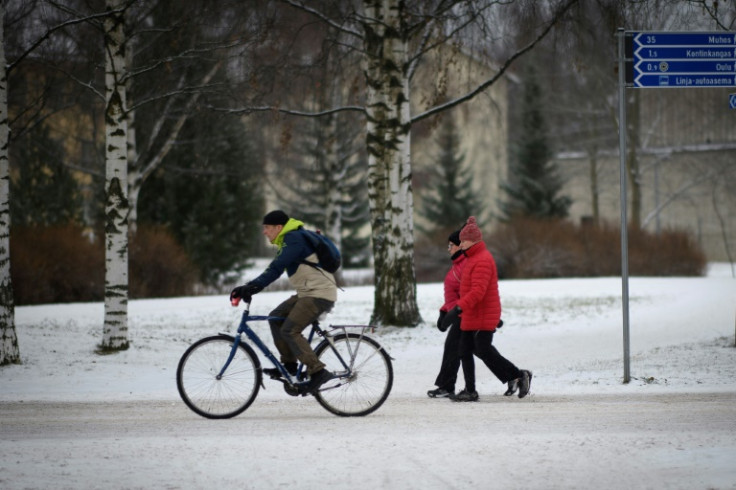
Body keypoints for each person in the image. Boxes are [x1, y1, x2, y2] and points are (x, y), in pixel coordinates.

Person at [230, 210, 337, 394]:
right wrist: (251, 287)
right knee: (276, 317)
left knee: (290, 329)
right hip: (307, 293)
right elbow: (277, 268)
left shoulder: (293, 239)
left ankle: (318, 371)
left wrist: (252, 286)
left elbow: (276, 268)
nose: (264, 232)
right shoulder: (289, 239)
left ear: (278, 227)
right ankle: (289, 366)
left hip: (319, 294)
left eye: (267, 228)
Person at [445, 216, 532, 402]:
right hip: (472, 313)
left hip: (483, 314)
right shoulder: (472, 258)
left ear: (473, 241)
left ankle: (519, 374)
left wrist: (458, 307)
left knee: (483, 349)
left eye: (463, 241)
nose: (460, 245)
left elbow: (478, 292)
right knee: (464, 350)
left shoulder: (482, 260)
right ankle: (470, 390)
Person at [427, 228, 467, 399]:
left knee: (453, 348)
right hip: (456, 313)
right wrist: (444, 312)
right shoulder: (458, 265)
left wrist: (452, 313)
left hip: (464, 315)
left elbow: (468, 295)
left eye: (451, 245)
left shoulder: (465, 265)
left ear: (460, 246)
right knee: (482, 350)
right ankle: (515, 376)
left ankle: (446, 386)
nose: (448, 248)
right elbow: (452, 295)